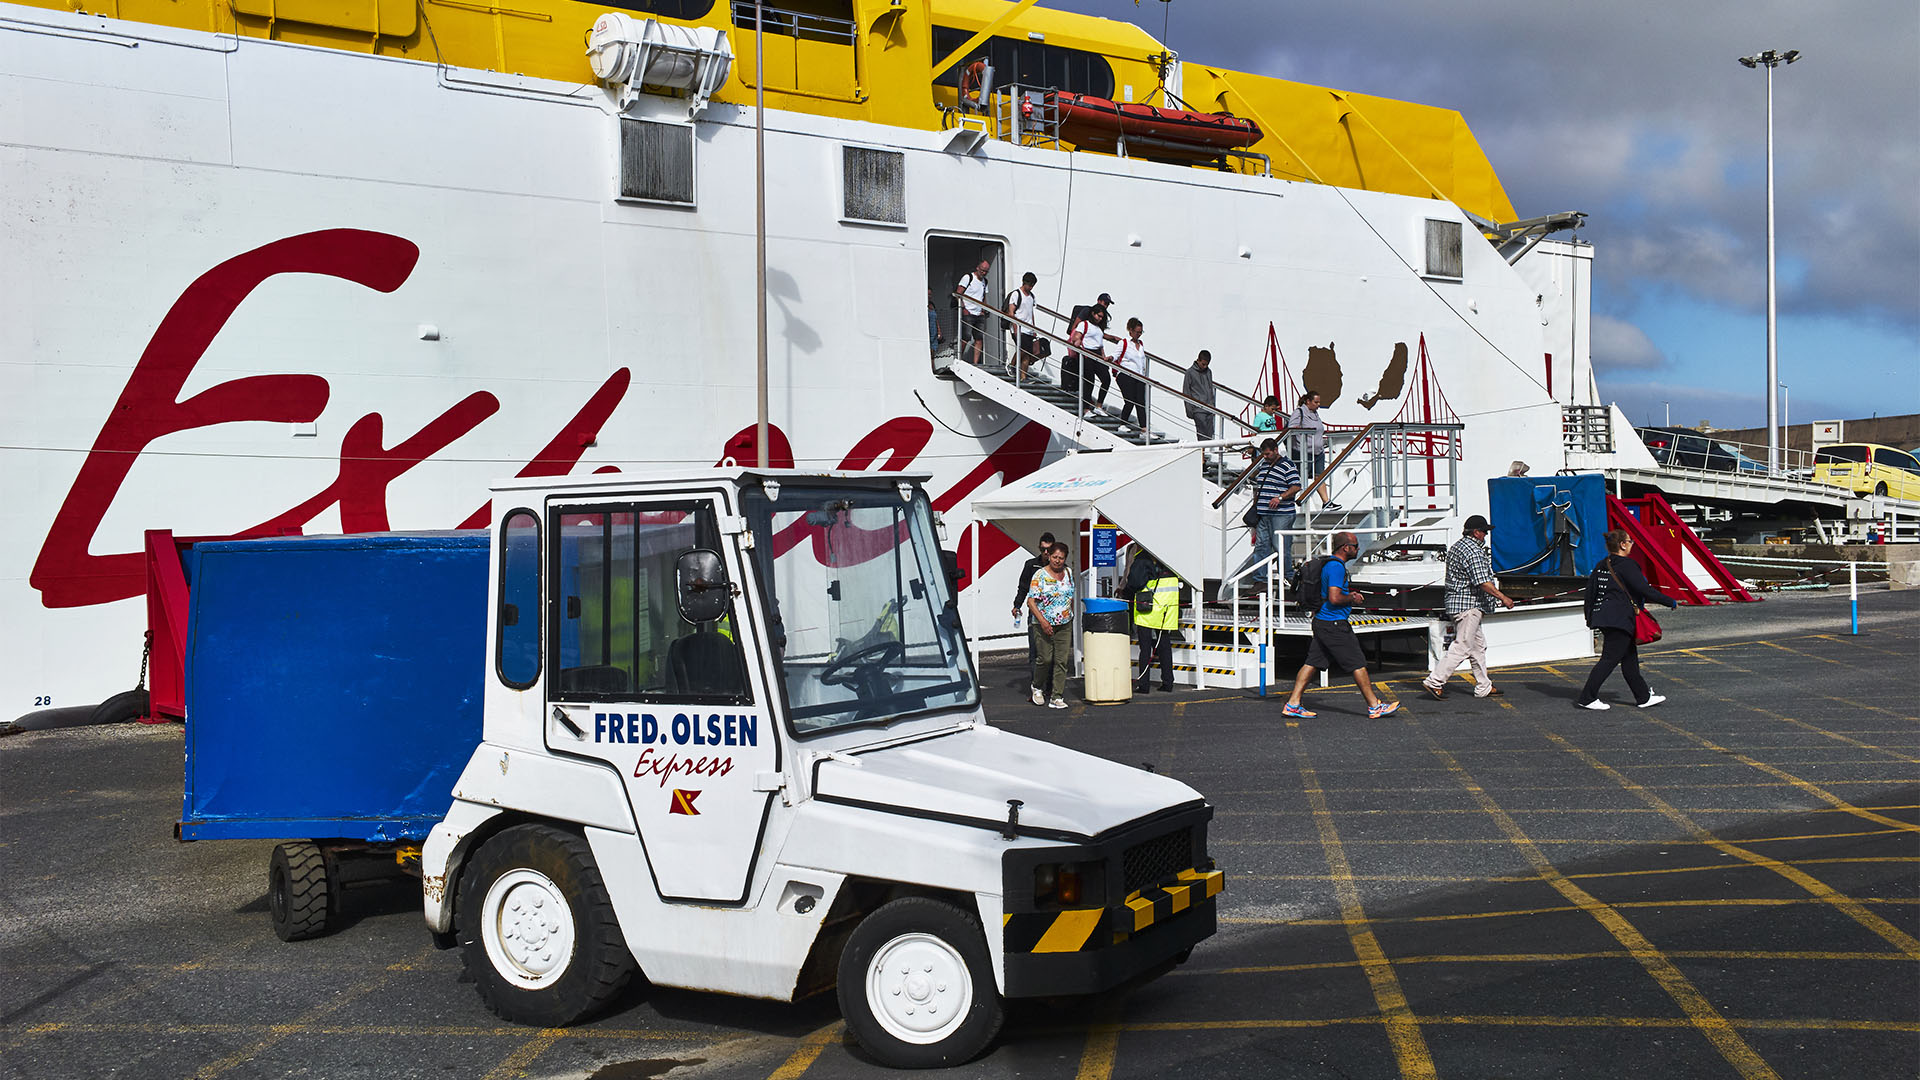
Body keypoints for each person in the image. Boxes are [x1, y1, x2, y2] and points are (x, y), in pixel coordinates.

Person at [1283, 532, 1399, 719]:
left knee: (1312, 662)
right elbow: (1335, 598)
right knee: (1358, 663)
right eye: (1355, 545)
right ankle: (1374, 705)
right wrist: (1352, 597)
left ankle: (1293, 704)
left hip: (1322, 621)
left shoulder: (1329, 564)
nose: (1358, 548)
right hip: (1334, 624)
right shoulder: (1336, 568)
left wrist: (1349, 595)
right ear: (1345, 548)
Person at [1576, 529, 1678, 710]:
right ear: (1622, 545)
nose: (1632, 544)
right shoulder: (1627, 565)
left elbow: (1590, 593)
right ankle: (1587, 697)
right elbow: (1644, 589)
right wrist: (1669, 601)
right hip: (1620, 619)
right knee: (1609, 659)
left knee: (1630, 659)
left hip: (1606, 617)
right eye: (1630, 541)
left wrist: (1589, 617)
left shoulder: (1601, 565)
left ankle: (1643, 697)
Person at [1421, 514, 1515, 701]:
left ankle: (1483, 686)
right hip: (1469, 605)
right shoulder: (1473, 551)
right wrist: (1503, 597)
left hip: (1458, 604)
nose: (1486, 536)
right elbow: (1482, 582)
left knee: (1478, 646)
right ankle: (1435, 681)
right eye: (1484, 532)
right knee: (1463, 646)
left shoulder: (1457, 546)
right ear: (1476, 532)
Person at [1221, 438, 1299, 601]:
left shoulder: (1287, 465)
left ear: (1275, 450)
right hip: (1264, 514)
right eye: (1263, 454)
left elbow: (1296, 486)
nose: (1265, 456)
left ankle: (1288, 576)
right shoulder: (1263, 466)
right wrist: (1256, 505)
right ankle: (1261, 580)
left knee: (1281, 546)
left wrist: (1280, 497)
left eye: (1267, 453)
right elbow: (1258, 487)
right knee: (1261, 546)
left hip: (1282, 513)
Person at [1025, 542, 1076, 709]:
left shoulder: (1068, 572)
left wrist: (1070, 614)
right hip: (1043, 623)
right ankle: (1037, 687)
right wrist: (1043, 622)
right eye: (1055, 557)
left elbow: (1070, 596)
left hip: (1064, 623)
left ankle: (1057, 696)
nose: (1058, 561)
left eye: (1061, 558)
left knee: (1062, 661)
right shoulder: (1039, 575)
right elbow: (1031, 602)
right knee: (1045, 659)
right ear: (1049, 556)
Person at [1126, 549, 1181, 694]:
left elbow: (1134, 582)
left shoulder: (1143, 558)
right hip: (1167, 607)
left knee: (1145, 648)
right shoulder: (1170, 557)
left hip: (1148, 607)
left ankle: (1144, 685)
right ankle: (1168, 682)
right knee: (1164, 645)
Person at [1011, 531, 1057, 670]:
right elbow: (1023, 587)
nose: (1046, 552)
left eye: (1049, 549)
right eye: (1043, 549)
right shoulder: (1031, 565)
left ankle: (1050, 686)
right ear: (1039, 548)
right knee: (1035, 650)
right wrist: (1017, 605)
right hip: (1035, 612)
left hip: (1054, 614)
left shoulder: (1060, 567)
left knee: (1053, 652)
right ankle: (1036, 684)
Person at [1288, 391, 1331, 507]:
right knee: (1299, 479)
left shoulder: (1315, 414)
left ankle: (1326, 502)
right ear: (1308, 401)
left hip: (1318, 451)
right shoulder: (1299, 412)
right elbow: (1291, 428)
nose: (1318, 405)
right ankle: (1290, 500)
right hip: (1304, 452)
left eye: (1319, 402)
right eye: (1316, 402)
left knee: (1319, 476)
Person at [1069, 306, 1111, 416]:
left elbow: (1101, 345)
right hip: (1086, 353)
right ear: (1093, 313)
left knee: (1106, 379)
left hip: (1097, 354)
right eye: (1099, 316)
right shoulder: (1084, 324)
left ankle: (1099, 405)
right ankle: (1085, 409)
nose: (1100, 319)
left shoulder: (1099, 328)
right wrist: (1077, 340)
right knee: (1089, 381)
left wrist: (1104, 357)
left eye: (1102, 317)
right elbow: (1076, 336)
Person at [1113, 317, 1150, 432]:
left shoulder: (1141, 344)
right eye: (1137, 332)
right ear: (1131, 331)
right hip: (1125, 374)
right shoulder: (1124, 343)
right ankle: (1122, 424)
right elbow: (1116, 355)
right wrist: (1110, 358)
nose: (1139, 334)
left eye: (1141, 332)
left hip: (1139, 376)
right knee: (1130, 400)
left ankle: (1144, 429)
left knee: (1141, 402)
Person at [1005, 271, 1040, 380]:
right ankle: (1011, 365)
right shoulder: (1016, 294)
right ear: (1024, 282)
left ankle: (1023, 376)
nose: (1031, 287)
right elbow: (1011, 312)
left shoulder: (1031, 296)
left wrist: (1033, 327)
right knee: (1023, 349)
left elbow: (1031, 312)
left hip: (1028, 329)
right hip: (1019, 328)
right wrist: (1015, 328)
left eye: (1032, 285)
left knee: (1027, 354)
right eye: (1029, 285)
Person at [956, 259, 990, 367]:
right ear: (977, 268)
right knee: (966, 337)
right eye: (982, 270)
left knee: (979, 338)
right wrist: (964, 308)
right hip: (968, 312)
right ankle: (958, 358)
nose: (983, 273)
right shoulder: (968, 278)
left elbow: (983, 296)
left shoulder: (985, 281)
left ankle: (975, 363)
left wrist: (984, 309)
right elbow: (958, 293)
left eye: (986, 271)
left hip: (979, 313)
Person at [1183, 350, 1217, 441]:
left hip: (1209, 408)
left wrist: (1213, 405)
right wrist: (1190, 411)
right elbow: (1186, 391)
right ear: (1198, 360)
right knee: (1202, 435)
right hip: (1197, 409)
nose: (1205, 366)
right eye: (1203, 364)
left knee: (1209, 435)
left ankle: (1205, 453)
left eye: (1207, 364)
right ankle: (1202, 454)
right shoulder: (1189, 372)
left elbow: (1210, 389)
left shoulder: (1208, 372)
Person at [927, 288, 943, 355]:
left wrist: (939, 331)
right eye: (928, 294)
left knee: (933, 353)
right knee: (928, 353)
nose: (929, 296)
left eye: (930, 294)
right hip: (928, 331)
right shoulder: (922, 305)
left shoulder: (932, 305)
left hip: (934, 332)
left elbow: (936, 319)